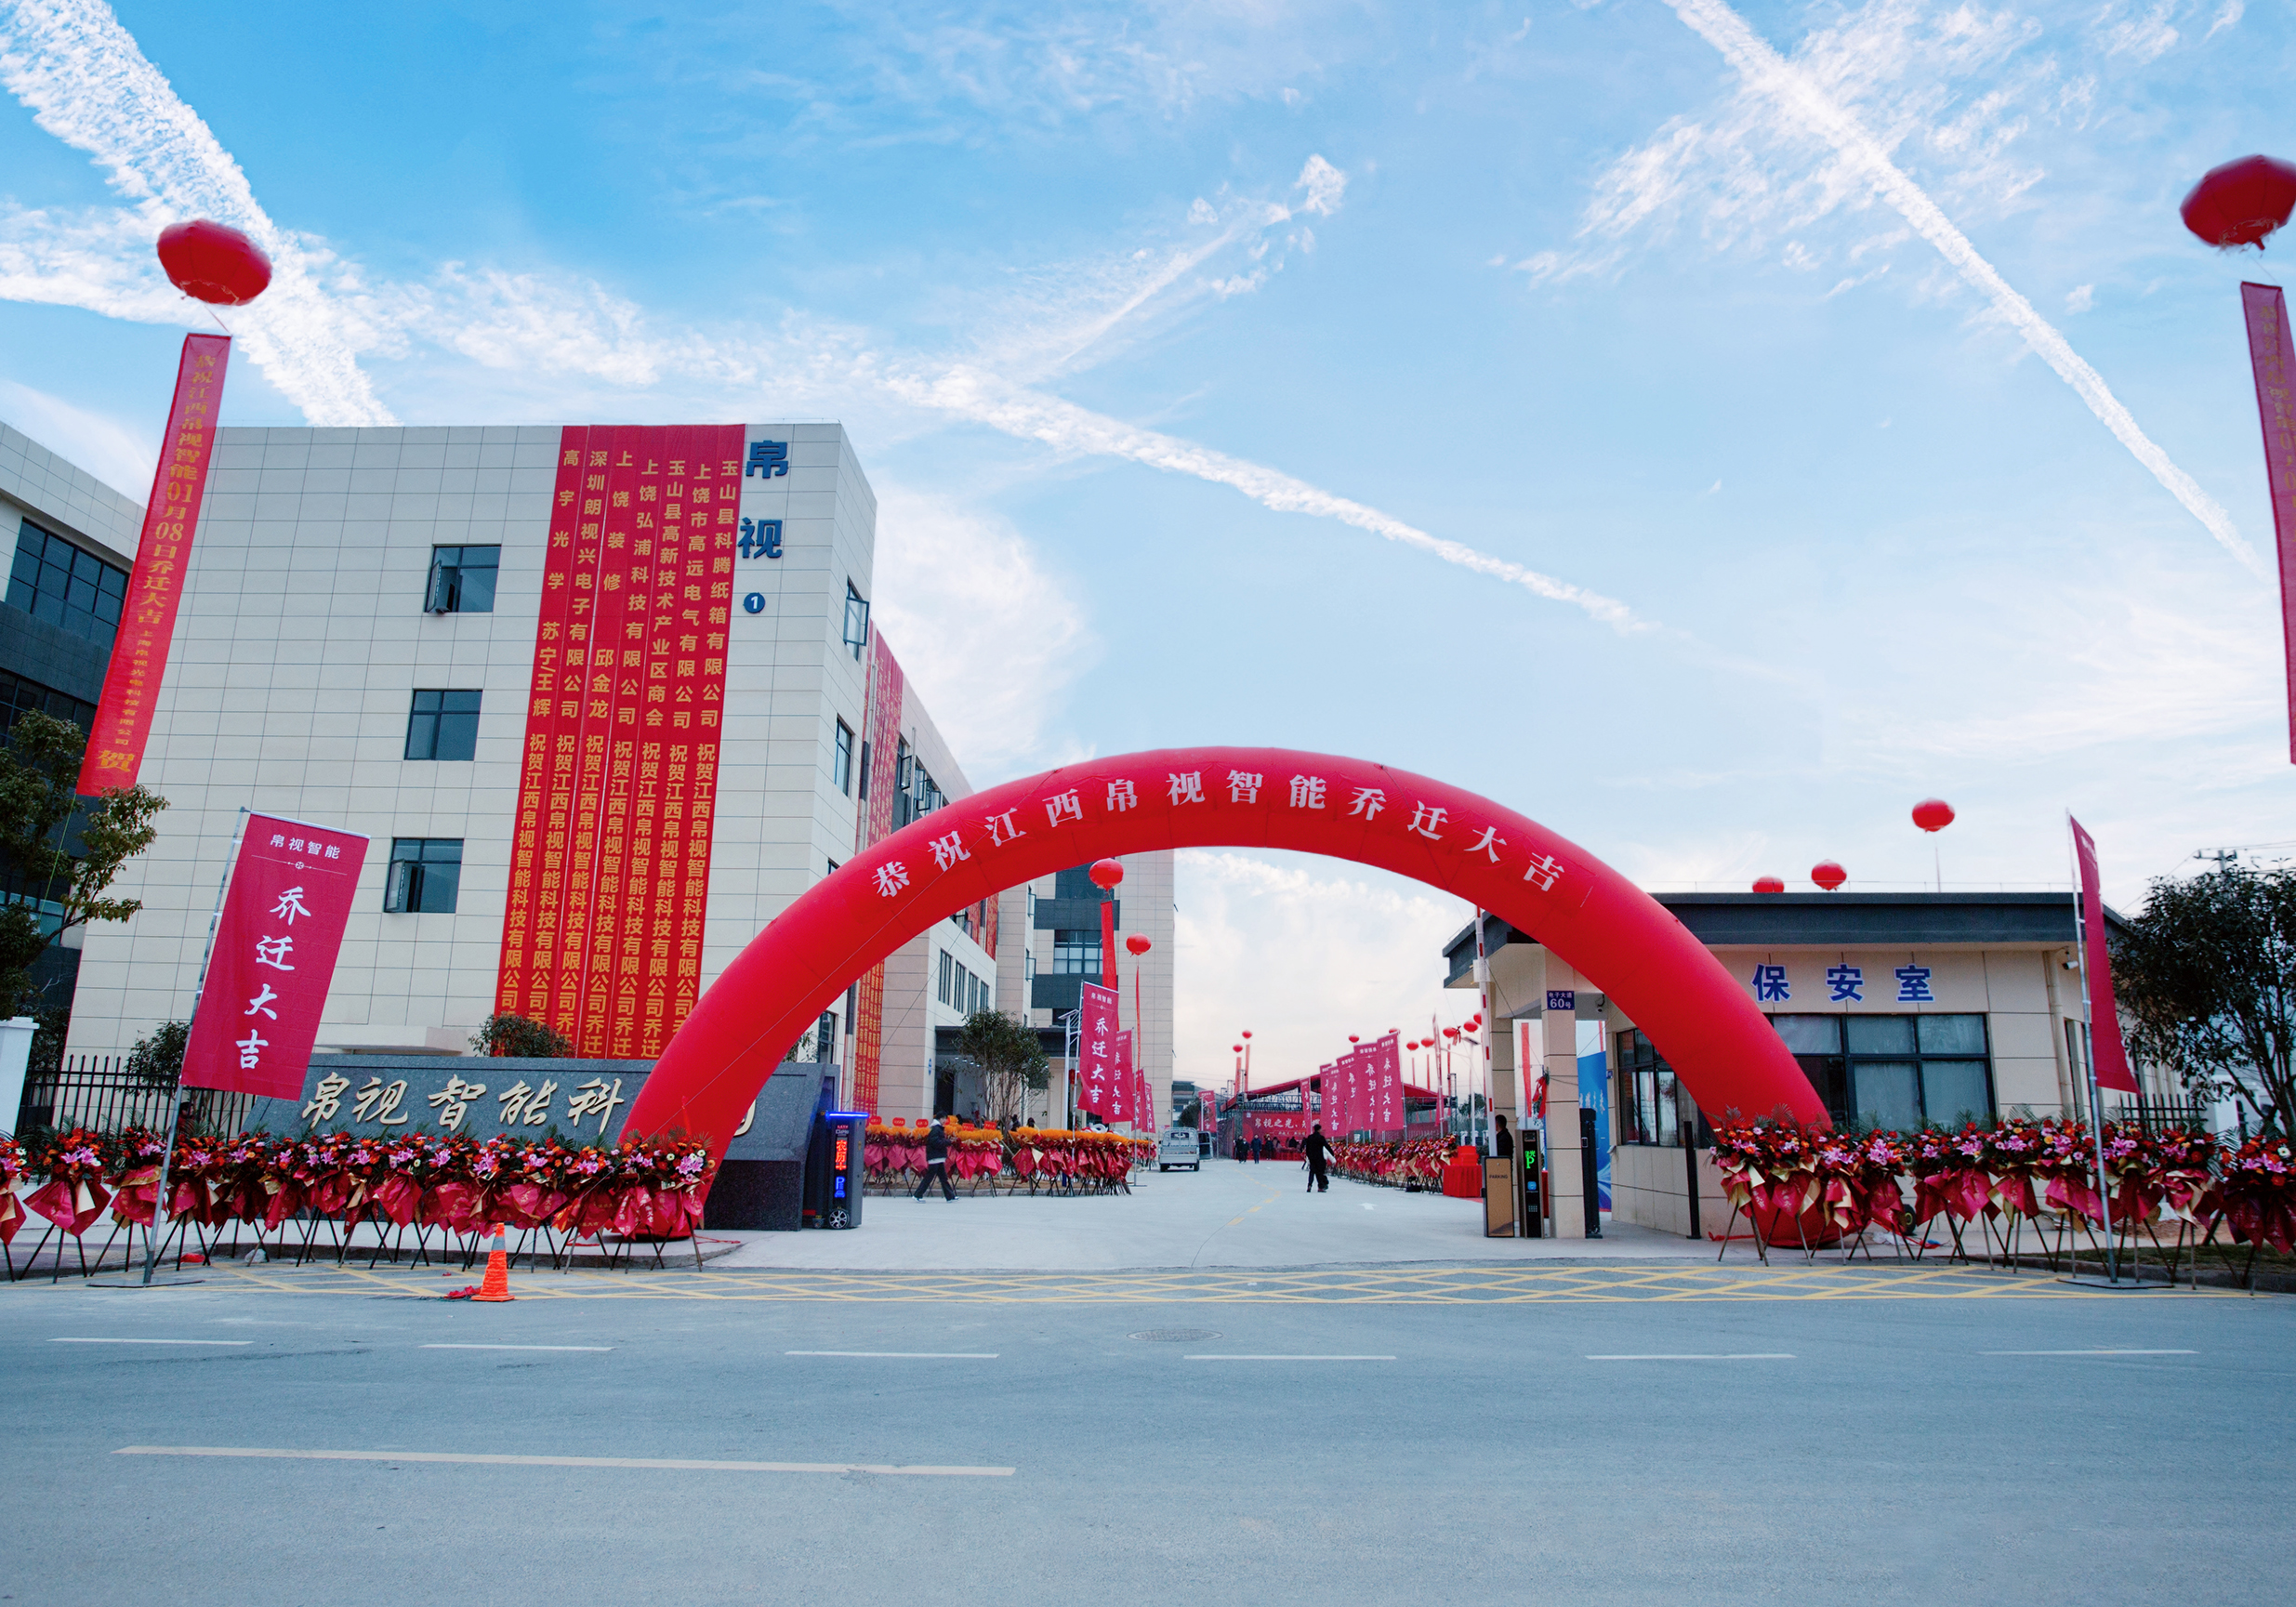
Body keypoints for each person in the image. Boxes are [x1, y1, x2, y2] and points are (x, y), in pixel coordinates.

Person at [913, 1118, 957, 1202]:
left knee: (943, 1178)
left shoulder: (937, 1128)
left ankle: (950, 1196)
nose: (944, 1121)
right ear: (939, 1119)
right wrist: (948, 1142)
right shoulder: (936, 1129)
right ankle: (917, 1195)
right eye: (943, 1119)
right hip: (935, 1157)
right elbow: (935, 1142)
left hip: (938, 1157)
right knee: (929, 1177)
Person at [1302, 1124, 1334, 1192]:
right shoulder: (1321, 1138)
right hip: (1319, 1158)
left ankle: (1309, 1185)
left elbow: (1307, 1148)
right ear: (1319, 1130)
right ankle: (1320, 1187)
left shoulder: (1310, 1137)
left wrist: (1309, 1156)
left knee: (1312, 1172)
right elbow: (1327, 1146)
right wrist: (1332, 1153)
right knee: (1319, 1172)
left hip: (1312, 1158)